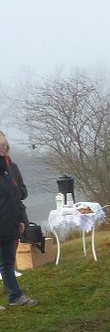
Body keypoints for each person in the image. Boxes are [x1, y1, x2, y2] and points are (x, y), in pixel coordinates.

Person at [0, 131, 37, 310]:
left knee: (7, 262)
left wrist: (20, 220)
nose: (4, 148)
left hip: (9, 224)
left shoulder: (9, 169)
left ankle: (14, 296)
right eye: (1, 145)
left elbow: (15, 198)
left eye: (5, 145)